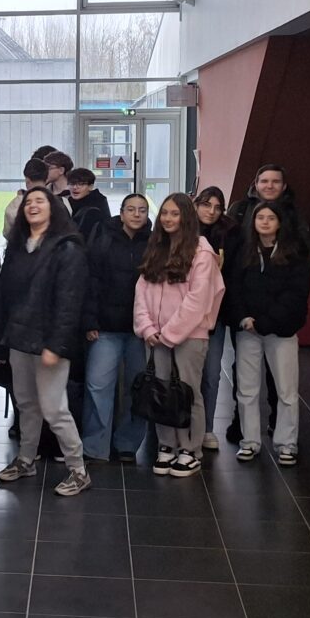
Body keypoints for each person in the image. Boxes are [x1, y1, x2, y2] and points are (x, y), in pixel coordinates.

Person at [0, 187, 91, 497]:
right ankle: (26, 460)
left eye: (40, 201)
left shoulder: (68, 248)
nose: (33, 206)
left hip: (50, 342)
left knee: (54, 409)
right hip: (19, 339)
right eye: (28, 202)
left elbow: (69, 302)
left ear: (53, 208)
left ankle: (78, 469)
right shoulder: (17, 246)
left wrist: (56, 345)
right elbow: (8, 295)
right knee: (26, 404)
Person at [133, 193, 225, 478]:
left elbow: (198, 300)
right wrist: (148, 328)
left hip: (190, 336)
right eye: (165, 213)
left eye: (175, 213)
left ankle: (190, 449)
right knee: (160, 390)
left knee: (187, 392)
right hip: (155, 336)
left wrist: (170, 333)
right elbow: (141, 291)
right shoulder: (156, 247)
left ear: (186, 217)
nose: (168, 219)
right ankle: (167, 445)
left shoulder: (202, 252)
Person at [224, 164, 310, 444]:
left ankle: (282, 433)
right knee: (244, 381)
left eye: (275, 181)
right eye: (264, 181)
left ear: (283, 186)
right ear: (256, 183)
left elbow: (302, 273)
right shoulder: (239, 211)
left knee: (283, 384)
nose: (270, 185)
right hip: (246, 322)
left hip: (281, 323)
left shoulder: (295, 217)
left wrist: (271, 318)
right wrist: (243, 316)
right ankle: (245, 432)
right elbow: (234, 274)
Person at [81, 193, 152, 464]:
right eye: (131, 209)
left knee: (137, 388)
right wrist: (89, 321)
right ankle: (95, 445)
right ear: (121, 213)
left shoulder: (154, 243)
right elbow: (91, 282)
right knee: (97, 386)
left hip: (140, 330)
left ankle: (127, 443)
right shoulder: (103, 238)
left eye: (142, 210)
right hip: (105, 328)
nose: (136, 214)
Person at [192, 186, 240, 451]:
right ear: (196, 204)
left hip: (215, 315)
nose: (211, 211)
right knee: (185, 375)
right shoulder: (183, 230)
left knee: (211, 374)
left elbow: (234, 275)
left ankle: (207, 427)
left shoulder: (230, 235)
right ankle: (180, 426)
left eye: (217, 207)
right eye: (206, 205)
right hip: (185, 315)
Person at [3, 158, 49, 241]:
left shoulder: (16, 205)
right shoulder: (62, 202)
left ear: (27, 180)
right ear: (47, 179)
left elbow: (7, 233)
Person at [67, 167, 111, 239]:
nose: (75, 187)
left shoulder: (97, 203)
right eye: (72, 184)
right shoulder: (67, 202)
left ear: (90, 187)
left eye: (80, 184)